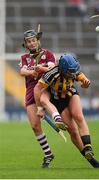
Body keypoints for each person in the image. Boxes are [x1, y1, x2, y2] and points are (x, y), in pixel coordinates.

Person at [34, 54, 99, 168]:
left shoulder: (74, 71)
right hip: (57, 101)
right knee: (73, 131)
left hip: (70, 95)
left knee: (78, 116)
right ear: (62, 69)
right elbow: (38, 88)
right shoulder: (52, 74)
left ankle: (88, 147)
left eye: (74, 71)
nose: (73, 74)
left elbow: (83, 81)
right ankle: (89, 158)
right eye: (70, 72)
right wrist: (40, 108)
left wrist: (85, 84)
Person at [19, 28, 59, 168]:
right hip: (31, 91)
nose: (31, 43)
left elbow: (53, 68)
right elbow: (22, 71)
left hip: (47, 88)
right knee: (35, 126)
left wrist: (40, 69)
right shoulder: (25, 58)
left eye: (33, 40)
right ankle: (48, 154)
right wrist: (32, 71)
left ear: (38, 41)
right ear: (25, 44)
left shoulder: (47, 54)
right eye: (28, 41)